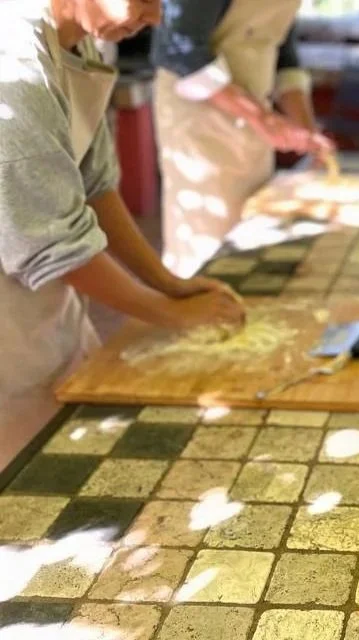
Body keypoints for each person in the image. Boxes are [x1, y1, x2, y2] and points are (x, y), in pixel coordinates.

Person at [0, 0, 246, 470]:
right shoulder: (12, 58)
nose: (155, 20)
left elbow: (94, 186)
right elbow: (52, 244)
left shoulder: (87, 43)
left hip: (49, 312)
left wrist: (168, 283)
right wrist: (168, 315)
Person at [151, 0, 336, 278]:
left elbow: (283, 54)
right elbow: (178, 50)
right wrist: (265, 120)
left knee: (251, 231)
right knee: (208, 246)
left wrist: (307, 130)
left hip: (253, 118)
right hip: (199, 123)